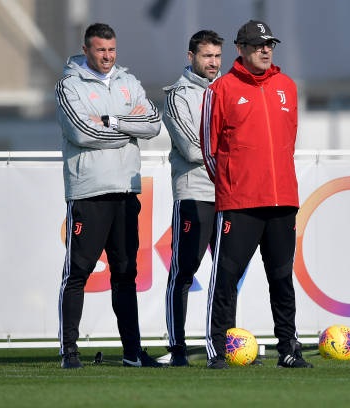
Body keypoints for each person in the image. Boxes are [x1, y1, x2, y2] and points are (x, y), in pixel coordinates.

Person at [200, 20, 313, 369]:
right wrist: (232, 186)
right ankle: (217, 350)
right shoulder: (221, 89)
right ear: (241, 49)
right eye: (257, 45)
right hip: (241, 204)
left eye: (270, 45)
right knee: (226, 279)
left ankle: (289, 350)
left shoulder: (287, 87)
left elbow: (288, 143)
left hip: (282, 202)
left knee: (281, 279)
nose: (265, 50)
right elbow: (208, 147)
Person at [55, 22, 162, 369]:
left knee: (125, 272)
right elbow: (82, 132)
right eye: (101, 50)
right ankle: (69, 350)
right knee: (78, 272)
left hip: (125, 191)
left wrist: (111, 121)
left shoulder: (127, 81)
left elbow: (153, 122)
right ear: (86, 49)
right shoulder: (69, 85)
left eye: (112, 49)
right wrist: (127, 129)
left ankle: (132, 351)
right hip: (89, 191)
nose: (107, 56)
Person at [162, 30, 224, 366]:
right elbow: (190, 149)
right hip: (195, 193)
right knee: (184, 272)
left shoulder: (228, 90)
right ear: (191, 57)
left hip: (229, 194)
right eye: (207, 56)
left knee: (226, 274)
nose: (213, 63)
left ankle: (221, 346)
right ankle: (178, 348)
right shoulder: (177, 96)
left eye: (217, 56)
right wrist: (234, 150)